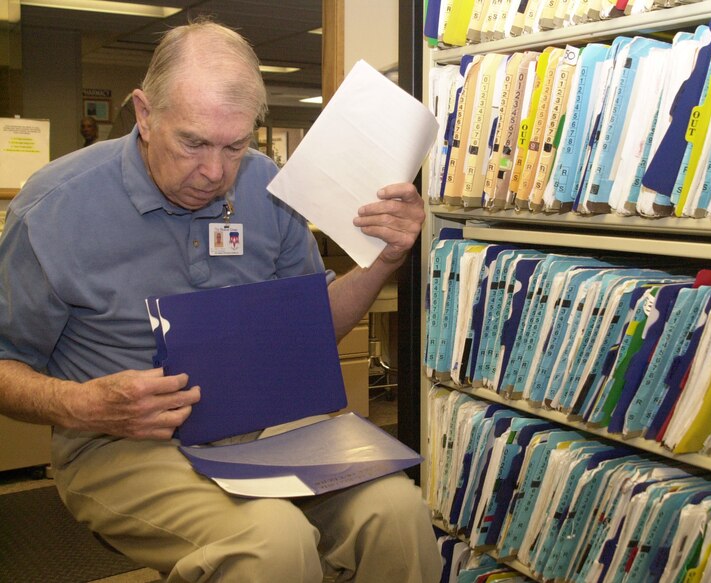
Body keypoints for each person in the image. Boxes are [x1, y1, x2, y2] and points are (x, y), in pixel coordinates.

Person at [0, 19, 440, 583]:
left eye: (234, 145)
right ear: (144, 113)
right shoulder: (55, 208)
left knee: (397, 511)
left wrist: (384, 260)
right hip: (122, 443)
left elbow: (312, 330)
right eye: (193, 143)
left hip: (261, 432)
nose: (213, 172)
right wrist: (86, 405)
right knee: (271, 543)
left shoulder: (265, 186)